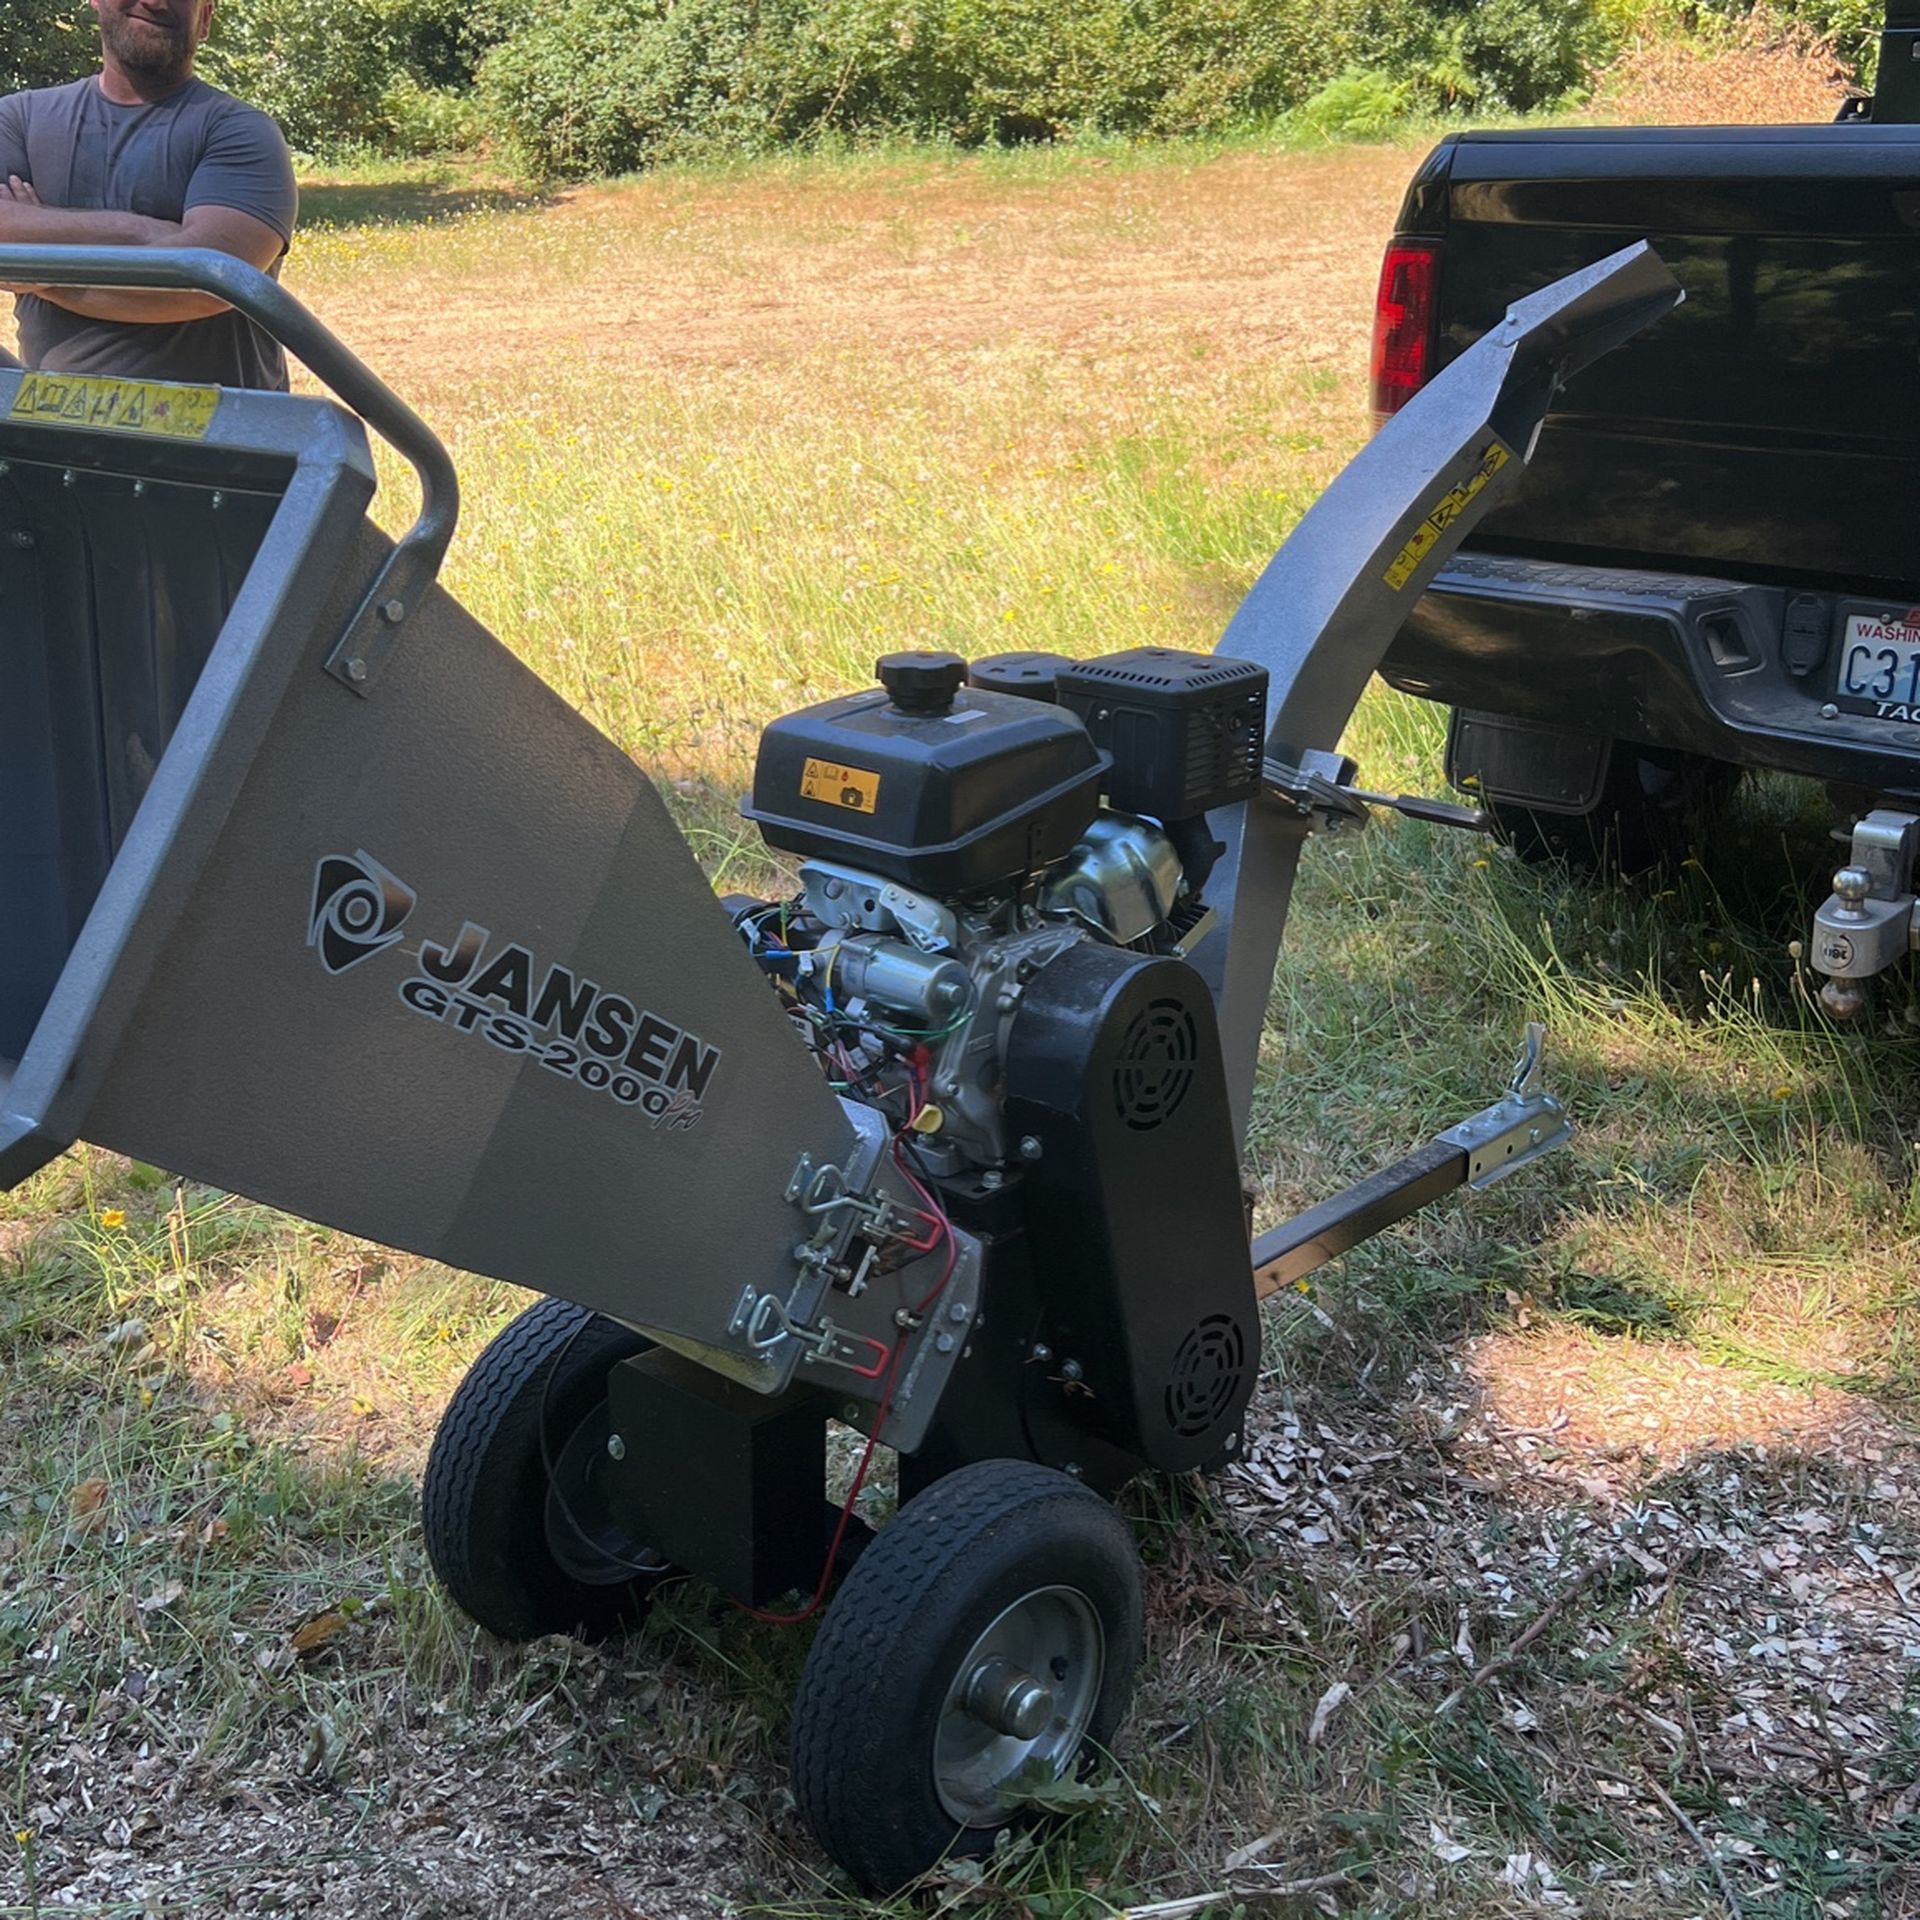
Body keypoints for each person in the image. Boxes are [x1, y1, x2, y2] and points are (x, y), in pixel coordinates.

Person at [0, 0, 297, 389]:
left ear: (204, 18)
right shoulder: (18, 118)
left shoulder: (242, 132)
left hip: (222, 435)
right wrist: (143, 235)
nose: (155, 2)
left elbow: (209, 283)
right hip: (61, 435)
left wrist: (34, 270)